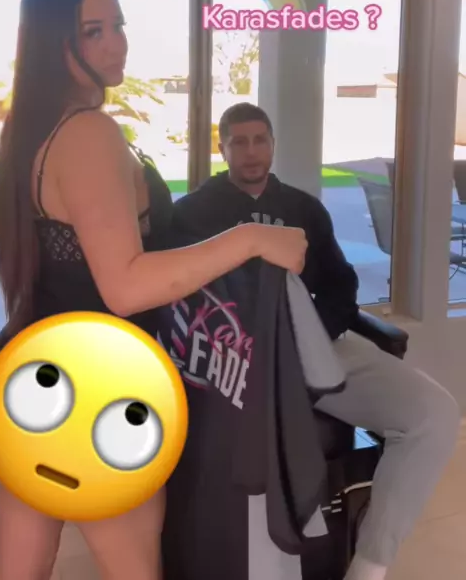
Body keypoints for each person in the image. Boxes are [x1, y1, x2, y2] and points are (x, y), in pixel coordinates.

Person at [0, 0, 307, 580]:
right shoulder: (88, 133)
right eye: (93, 31)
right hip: (100, 390)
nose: (116, 43)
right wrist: (250, 237)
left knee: (18, 565)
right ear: (55, 41)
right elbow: (126, 286)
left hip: (31, 370)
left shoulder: (27, 132)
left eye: (119, 24)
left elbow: (39, 253)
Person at [172, 102, 461, 580]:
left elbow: (340, 286)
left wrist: (312, 337)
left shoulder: (305, 209)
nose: (251, 151)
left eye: (260, 140)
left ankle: (369, 565)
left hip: (315, 347)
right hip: (233, 360)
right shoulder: (192, 215)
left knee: (435, 414)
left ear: (273, 145)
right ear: (222, 149)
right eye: (239, 142)